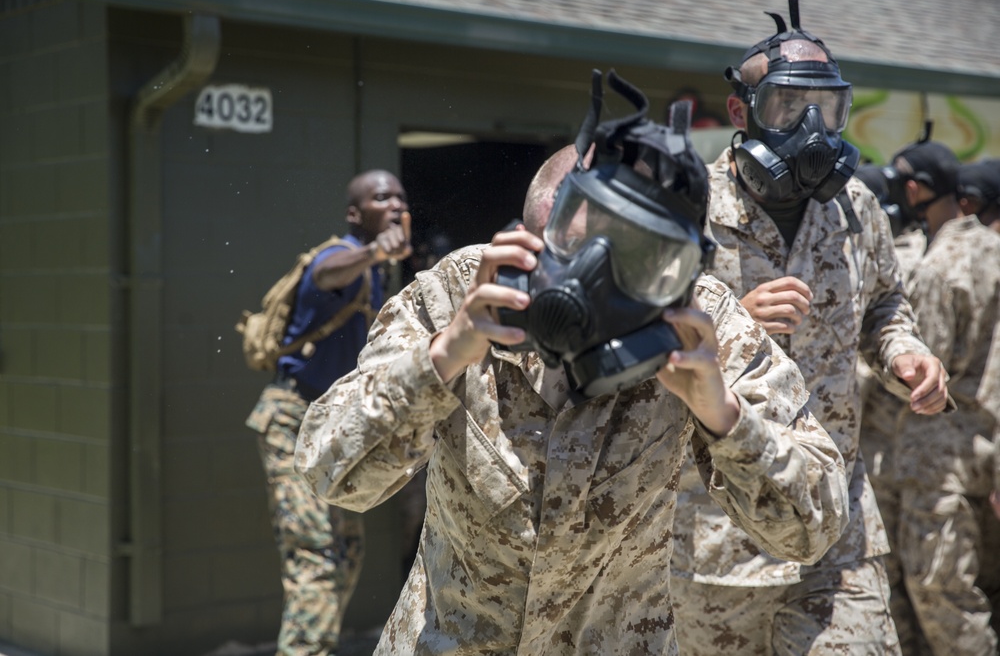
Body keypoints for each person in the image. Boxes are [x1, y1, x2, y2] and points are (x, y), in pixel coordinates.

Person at [294, 77, 849, 655]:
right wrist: (443, 356)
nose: (583, 291)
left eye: (619, 266)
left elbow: (812, 528)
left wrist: (725, 416)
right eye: (561, 255)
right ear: (527, 239)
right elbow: (329, 472)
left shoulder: (696, 318)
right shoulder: (460, 293)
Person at [668, 0, 950, 655]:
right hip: (716, 535)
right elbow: (638, 333)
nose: (811, 128)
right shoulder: (684, 212)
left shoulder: (855, 208)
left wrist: (905, 353)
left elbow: (884, 306)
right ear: (742, 113)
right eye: (788, 108)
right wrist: (734, 318)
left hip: (836, 527)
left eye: (827, 108)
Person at [244, 169, 412, 656]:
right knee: (315, 554)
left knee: (347, 553)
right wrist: (378, 251)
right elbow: (327, 273)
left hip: (335, 428)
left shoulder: (377, 271)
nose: (396, 204)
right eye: (383, 197)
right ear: (356, 214)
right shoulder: (338, 257)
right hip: (291, 420)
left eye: (400, 195)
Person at [887, 143, 1000, 654]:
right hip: (980, 449)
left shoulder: (938, 265)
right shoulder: (992, 248)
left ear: (914, 189)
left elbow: (925, 363)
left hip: (936, 457)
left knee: (938, 598)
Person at [855, 159, 931, 654]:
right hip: (895, 448)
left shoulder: (912, 263)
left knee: (906, 579)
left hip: (891, 448)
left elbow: (890, 327)